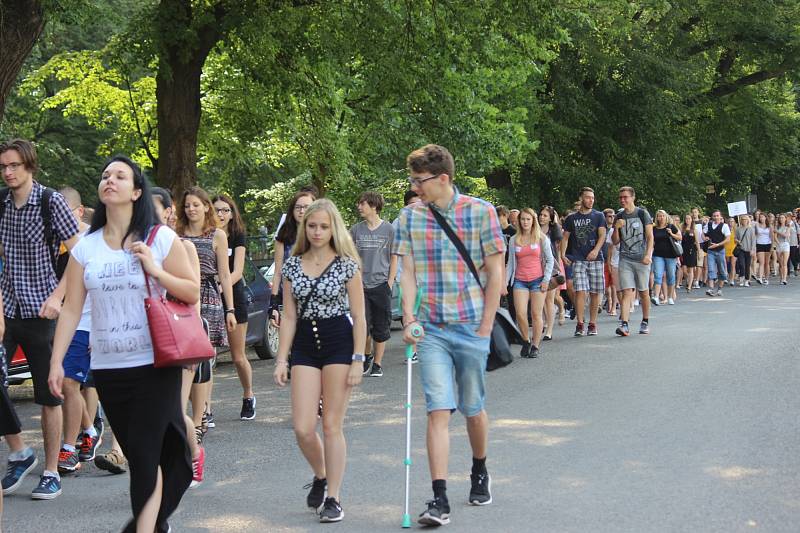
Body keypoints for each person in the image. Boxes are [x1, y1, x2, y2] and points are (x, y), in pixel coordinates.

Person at [48, 156, 196, 531]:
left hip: (154, 366)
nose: (109, 180)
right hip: (109, 370)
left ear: (136, 191)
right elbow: (71, 310)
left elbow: (191, 291)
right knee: (144, 456)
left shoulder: (160, 238)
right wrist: (56, 362)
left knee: (145, 459)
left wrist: (155, 269)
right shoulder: (86, 248)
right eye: (104, 175)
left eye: (119, 175)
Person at [394, 144, 505, 527]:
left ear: (443, 178)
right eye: (412, 180)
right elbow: (406, 273)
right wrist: (408, 316)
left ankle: (479, 469)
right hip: (432, 329)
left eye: (419, 180)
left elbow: (496, 272)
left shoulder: (481, 212)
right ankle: (439, 497)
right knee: (437, 409)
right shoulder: (408, 219)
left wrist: (487, 324)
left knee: (473, 408)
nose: (414, 187)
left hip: (472, 324)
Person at [273, 198, 366, 523]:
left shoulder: (346, 264)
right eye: (312, 225)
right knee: (302, 428)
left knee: (330, 425)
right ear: (304, 227)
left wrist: (358, 358)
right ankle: (321, 473)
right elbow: (288, 316)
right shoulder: (292, 266)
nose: (317, 231)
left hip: (338, 341)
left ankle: (334, 497)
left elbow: (358, 314)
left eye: (324, 226)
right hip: (304, 346)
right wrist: (281, 359)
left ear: (333, 228)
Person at [0, 139, 80, 500]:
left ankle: (50, 471)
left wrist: (58, 296)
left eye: (14, 165)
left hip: (42, 312)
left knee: (48, 395)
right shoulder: (0, 204)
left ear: (30, 165)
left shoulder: (51, 202)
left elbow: (81, 254)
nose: (8, 172)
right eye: (3, 166)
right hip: (5, 309)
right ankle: (19, 451)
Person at [177, 187, 237, 443]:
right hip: (182, 298)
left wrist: (230, 309)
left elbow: (225, 274)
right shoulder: (176, 234)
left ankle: (201, 415)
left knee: (205, 360)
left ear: (205, 207)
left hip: (209, 297)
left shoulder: (218, 235)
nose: (191, 209)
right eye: (187, 205)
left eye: (196, 205)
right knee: (184, 362)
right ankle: (191, 415)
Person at [53, 187, 102, 474]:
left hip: (85, 323)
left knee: (70, 384)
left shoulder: (89, 241)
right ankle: (89, 429)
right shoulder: (52, 238)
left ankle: (69, 448)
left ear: (78, 211)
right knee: (64, 385)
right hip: (60, 322)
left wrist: (98, 329)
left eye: (63, 214)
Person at [212, 194, 256, 419]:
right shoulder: (206, 235)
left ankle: (248, 395)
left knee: (238, 356)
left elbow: (237, 271)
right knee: (207, 358)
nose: (221, 214)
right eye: (217, 209)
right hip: (208, 299)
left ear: (232, 213)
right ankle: (205, 409)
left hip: (233, 297)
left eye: (225, 210)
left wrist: (220, 286)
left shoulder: (238, 235)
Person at [350, 191, 396, 377]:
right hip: (360, 286)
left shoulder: (389, 230)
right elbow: (350, 256)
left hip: (381, 285)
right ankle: (366, 355)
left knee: (381, 326)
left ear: (374, 206)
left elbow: (394, 257)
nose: (359, 207)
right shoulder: (355, 230)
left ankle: (377, 364)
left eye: (362, 204)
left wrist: (390, 283)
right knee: (362, 324)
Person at [505, 208, 554, 358]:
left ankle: (535, 345)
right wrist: (505, 284)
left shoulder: (541, 238)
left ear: (533, 221)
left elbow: (550, 260)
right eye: (522, 219)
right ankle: (526, 340)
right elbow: (511, 264)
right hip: (519, 280)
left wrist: (546, 280)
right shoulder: (514, 239)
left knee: (536, 314)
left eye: (528, 219)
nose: (525, 222)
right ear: (519, 221)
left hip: (538, 281)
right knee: (520, 314)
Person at [560, 187, 606, 336]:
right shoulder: (572, 218)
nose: (590, 200)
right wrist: (562, 254)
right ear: (581, 198)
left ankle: (592, 324)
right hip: (578, 258)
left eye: (592, 197)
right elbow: (565, 237)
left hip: (596, 259)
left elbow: (602, 235)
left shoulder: (599, 216)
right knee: (580, 291)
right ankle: (580, 323)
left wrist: (596, 250)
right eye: (587, 197)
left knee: (595, 292)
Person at [612, 186, 654, 336]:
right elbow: (615, 241)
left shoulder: (642, 213)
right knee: (626, 291)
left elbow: (650, 237)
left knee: (643, 292)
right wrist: (616, 228)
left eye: (625, 197)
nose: (623, 200)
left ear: (632, 197)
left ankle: (645, 321)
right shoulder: (619, 216)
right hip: (625, 259)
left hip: (641, 259)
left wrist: (648, 255)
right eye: (621, 197)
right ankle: (624, 325)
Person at [270, 191, 316, 326]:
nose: (302, 211)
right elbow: (278, 272)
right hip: (290, 299)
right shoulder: (284, 235)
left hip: (317, 298)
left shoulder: (322, 235)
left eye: (306, 207)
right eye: (298, 207)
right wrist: (273, 304)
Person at [539, 206, 565, 339]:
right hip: (537, 266)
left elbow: (558, 250)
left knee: (550, 299)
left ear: (550, 218)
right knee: (540, 299)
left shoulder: (554, 232)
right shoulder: (534, 230)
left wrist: (559, 267)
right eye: (541, 215)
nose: (542, 217)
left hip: (551, 266)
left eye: (545, 215)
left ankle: (549, 330)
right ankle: (542, 323)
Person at [651, 210, 682, 306]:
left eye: (662, 216)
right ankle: (656, 296)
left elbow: (680, 237)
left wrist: (671, 234)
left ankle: (670, 297)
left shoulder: (671, 227)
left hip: (670, 255)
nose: (661, 218)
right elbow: (652, 241)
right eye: (659, 216)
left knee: (671, 276)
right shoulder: (654, 228)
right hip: (657, 254)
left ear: (666, 217)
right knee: (658, 275)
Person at [703, 210, 731, 297]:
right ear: (712, 217)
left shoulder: (724, 226)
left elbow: (728, 239)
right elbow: (703, 234)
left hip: (720, 250)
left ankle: (719, 288)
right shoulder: (709, 224)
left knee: (721, 270)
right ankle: (711, 288)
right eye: (714, 216)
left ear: (720, 216)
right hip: (710, 250)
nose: (716, 217)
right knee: (711, 269)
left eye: (717, 215)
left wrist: (718, 244)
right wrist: (705, 238)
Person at [680, 214, 700, 292]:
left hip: (692, 250)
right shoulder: (682, 229)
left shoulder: (694, 230)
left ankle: (689, 285)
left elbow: (697, 242)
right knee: (684, 270)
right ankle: (689, 279)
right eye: (686, 218)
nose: (687, 220)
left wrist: (698, 252)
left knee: (691, 269)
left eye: (689, 218)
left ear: (691, 220)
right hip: (684, 250)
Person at [734, 214, 755, 286]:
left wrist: (752, 249)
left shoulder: (751, 229)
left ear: (748, 220)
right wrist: (737, 241)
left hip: (749, 249)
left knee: (747, 265)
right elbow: (735, 238)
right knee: (741, 264)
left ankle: (747, 280)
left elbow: (753, 240)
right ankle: (741, 277)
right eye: (742, 219)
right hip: (741, 249)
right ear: (740, 220)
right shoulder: (738, 229)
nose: (744, 221)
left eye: (745, 219)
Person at [754, 213, 772, 284]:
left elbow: (772, 237)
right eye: (760, 217)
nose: (761, 218)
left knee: (766, 263)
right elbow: (755, 235)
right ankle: (760, 277)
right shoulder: (756, 225)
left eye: (762, 217)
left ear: (765, 218)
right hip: (759, 244)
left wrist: (772, 247)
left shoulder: (769, 226)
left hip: (768, 244)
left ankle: (766, 279)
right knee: (761, 262)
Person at [774, 213, 791, 285]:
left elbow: (786, 235)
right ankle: (781, 278)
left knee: (784, 263)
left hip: (786, 244)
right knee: (780, 264)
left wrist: (777, 231)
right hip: (779, 244)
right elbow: (775, 237)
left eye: (783, 218)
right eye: (780, 218)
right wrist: (778, 243)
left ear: (785, 219)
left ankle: (784, 279)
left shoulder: (788, 227)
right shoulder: (777, 226)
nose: (781, 219)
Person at [724, 217, 738, 287]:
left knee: (733, 264)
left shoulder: (736, 230)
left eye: (732, 221)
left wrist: (737, 240)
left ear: (734, 222)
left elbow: (739, 239)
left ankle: (732, 280)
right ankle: (727, 276)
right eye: (729, 221)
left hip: (734, 248)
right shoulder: (725, 229)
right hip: (726, 248)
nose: (730, 223)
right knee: (727, 264)